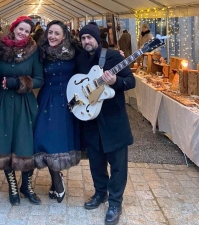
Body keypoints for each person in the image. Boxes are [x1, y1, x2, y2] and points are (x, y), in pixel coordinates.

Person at [76, 23, 135, 225]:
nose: (86, 42)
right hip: (91, 120)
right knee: (96, 162)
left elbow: (130, 81)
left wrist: (114, 82)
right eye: (83, 38)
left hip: (113, 120)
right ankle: (100, 193)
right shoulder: (80, 58)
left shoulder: (113, 57)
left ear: (97, 39)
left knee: (118, 165)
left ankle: (115, 202)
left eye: (89, 38)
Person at [0, 15, 44, 206]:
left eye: (27, 31)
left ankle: (27, 185)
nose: (22, 33)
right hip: (4, 103)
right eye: (20, 29)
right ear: (13, 28)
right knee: (6, 143)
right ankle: (12, 186)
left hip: (25, 104)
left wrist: (21, 82)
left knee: (26, 144)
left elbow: (40, 78)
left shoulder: (33, 51)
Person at [34, 20, 81, 203]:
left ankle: (56, 181)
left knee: (62, 141)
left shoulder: (74, 51)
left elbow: (89, 65)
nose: (52, 36)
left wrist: (113, 55)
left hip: (69, 101)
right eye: (50, 33)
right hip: (47, 100)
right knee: (46, 141)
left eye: (56, 33)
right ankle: (57, 180)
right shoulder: (41, 52)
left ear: (64, 36)